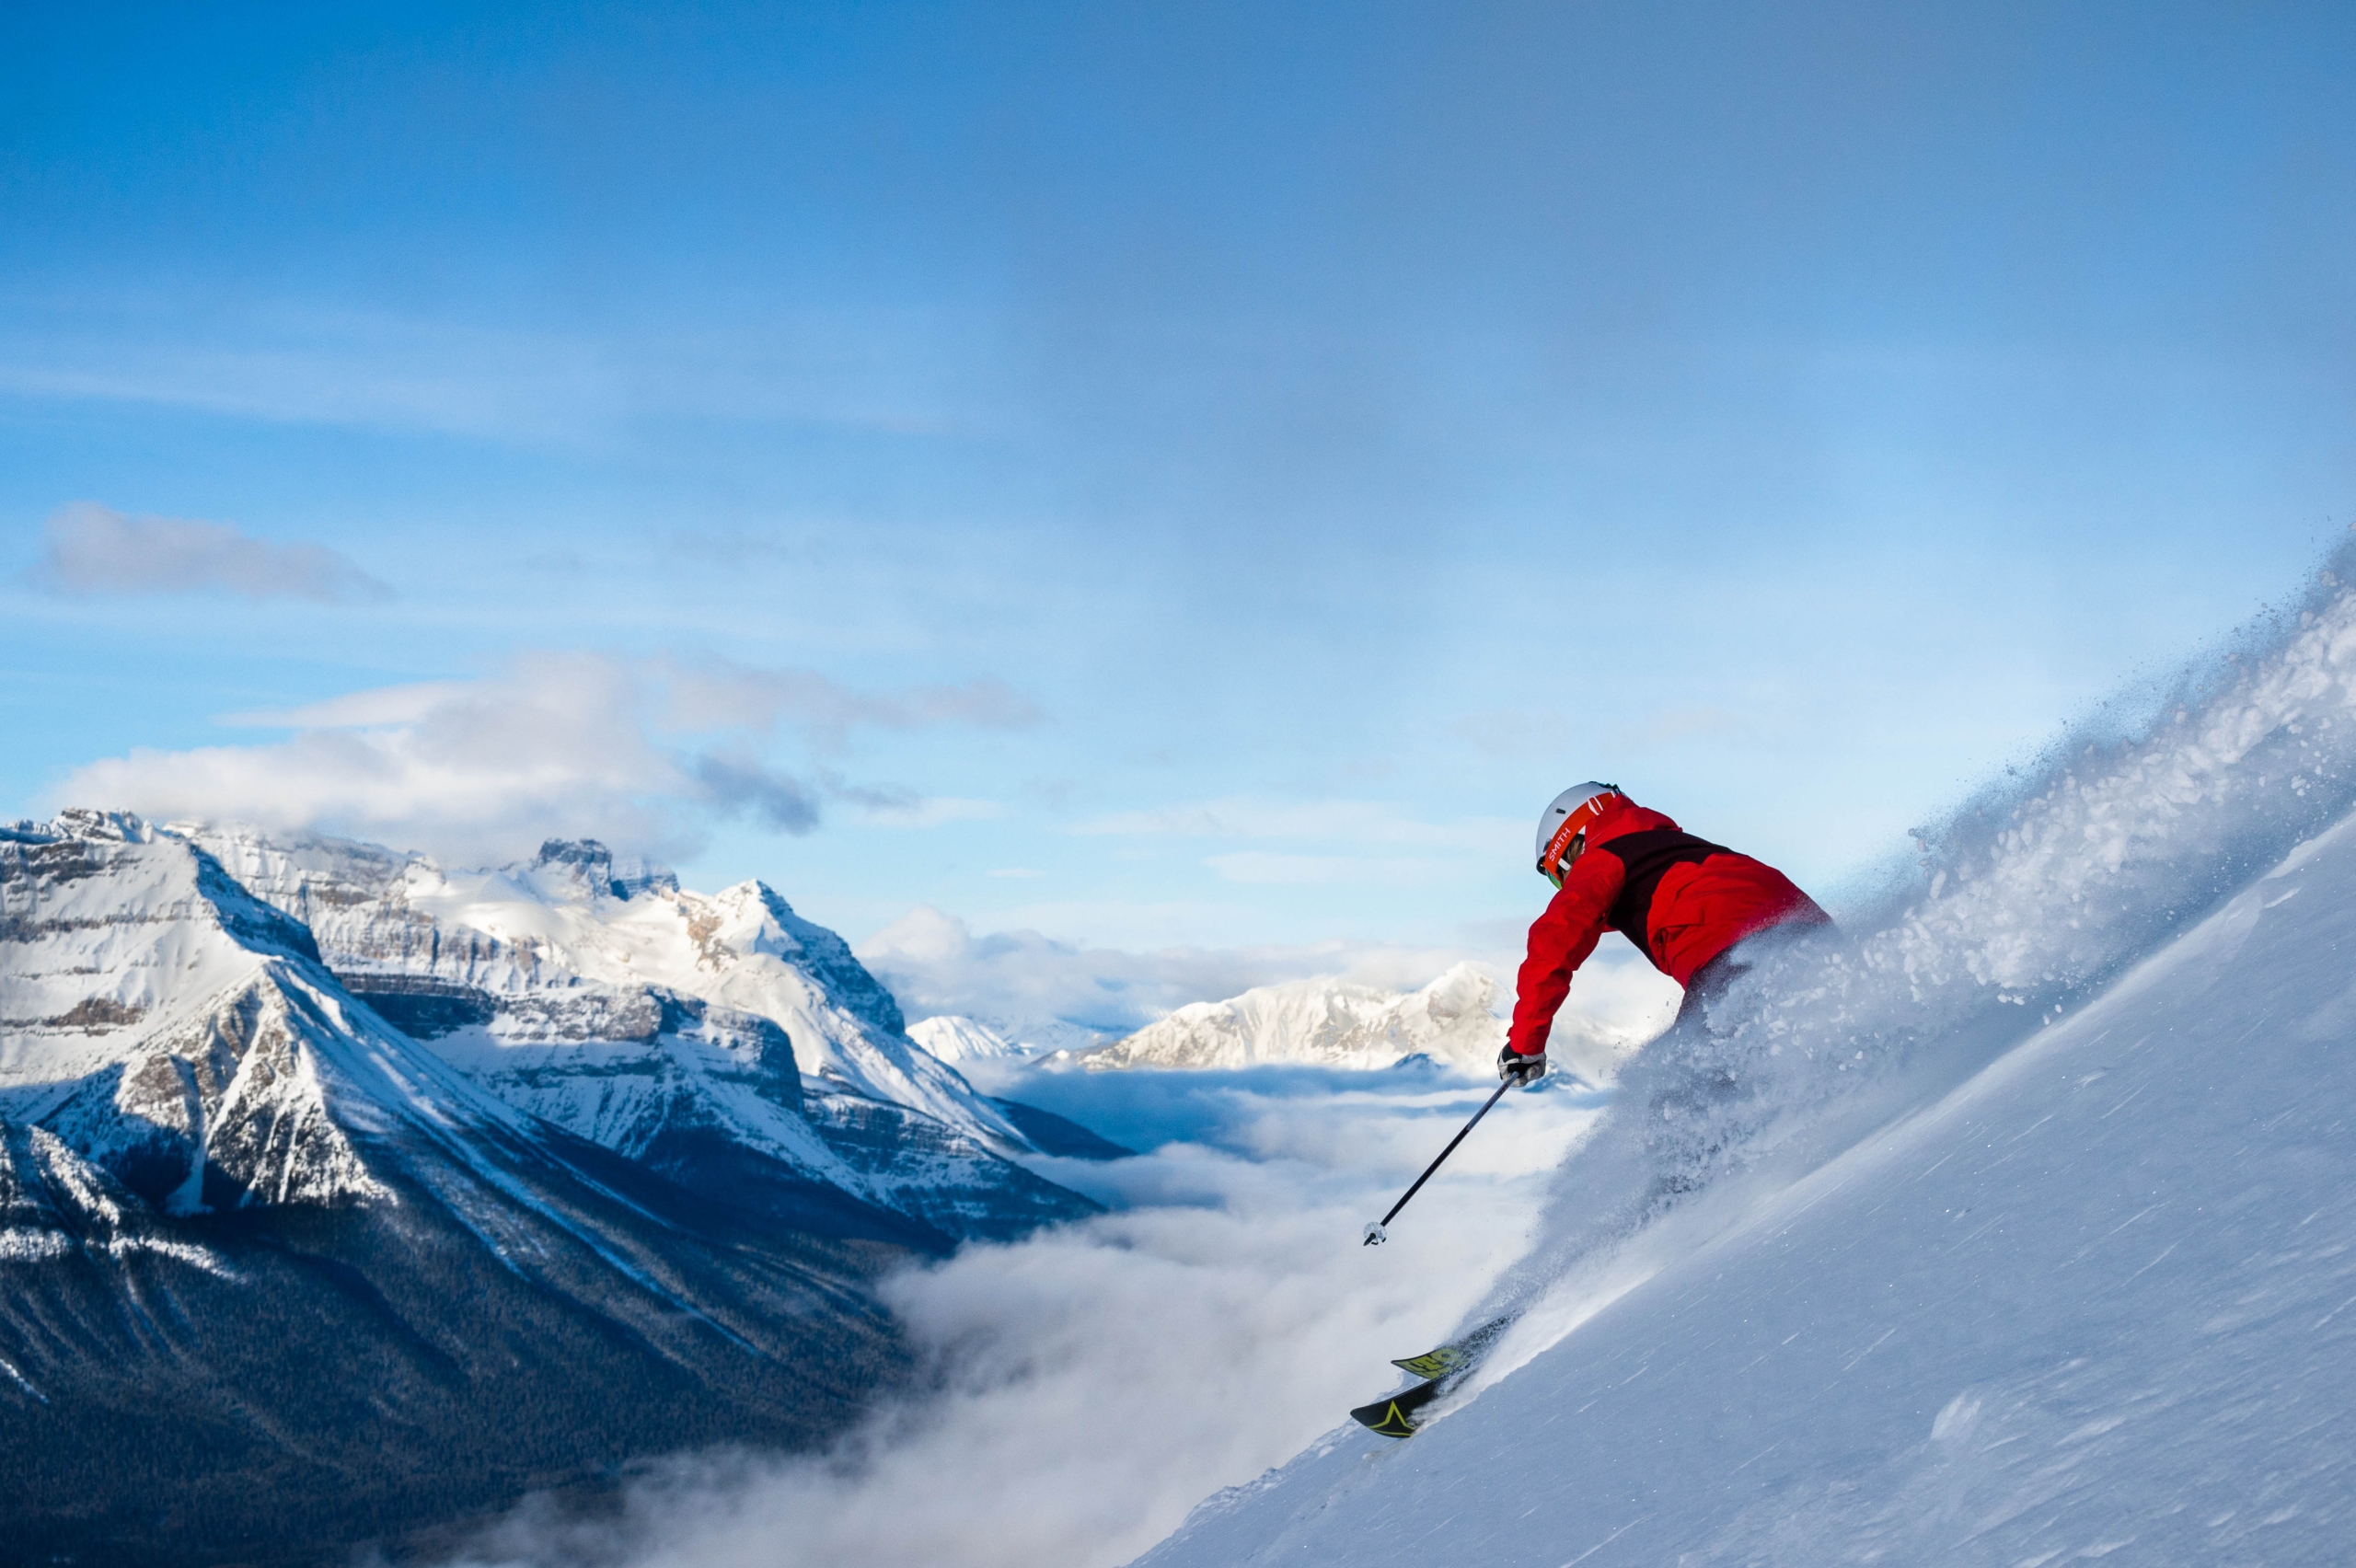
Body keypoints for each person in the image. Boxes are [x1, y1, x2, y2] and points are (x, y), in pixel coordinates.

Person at [1498, 782, 1830, 1087]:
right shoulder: (1680, 850)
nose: (1564, 887)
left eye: (1559, 877)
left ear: (1573, 844)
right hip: (1815, 940)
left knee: (1683, 1095)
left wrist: (1525, 1045)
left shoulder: (1604, 857)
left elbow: (1554, 941)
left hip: (1734, 957)